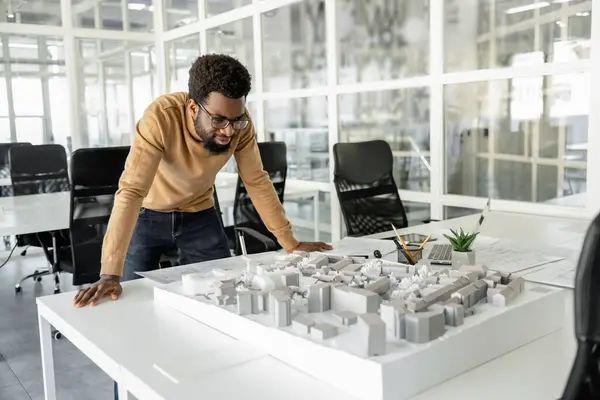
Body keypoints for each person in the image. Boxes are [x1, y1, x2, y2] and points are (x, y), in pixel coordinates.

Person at [73, 54, 332, 308]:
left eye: (236, 119)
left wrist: (290, 243)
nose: (229, 131)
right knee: (129, 299)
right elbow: (131, 191)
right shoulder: (160, 118)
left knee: (224, 294)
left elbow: (256, 180)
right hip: (147, 215)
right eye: (218, 120)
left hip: (199, 215)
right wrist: (109, 272)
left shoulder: (241, 125)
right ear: (194, 108)